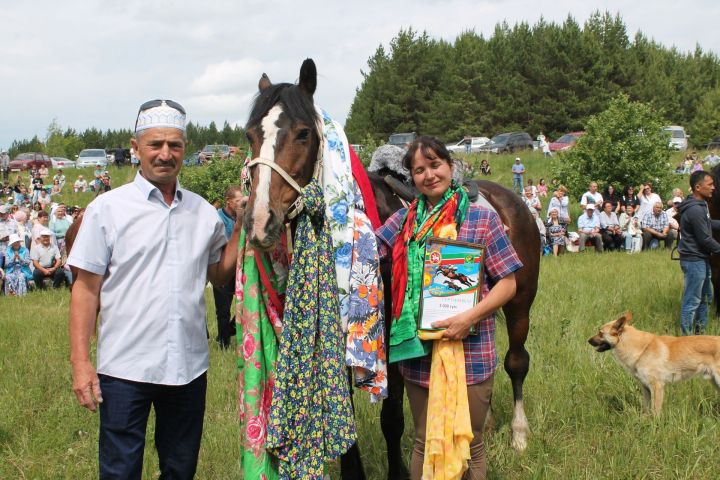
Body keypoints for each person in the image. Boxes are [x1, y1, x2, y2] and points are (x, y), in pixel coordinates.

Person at [68, 99, 242, 479]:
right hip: (125, 369)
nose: (165, 154)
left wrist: (241, 226)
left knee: (180, 470)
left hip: (188, 369)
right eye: (155, 145)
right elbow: (85, 290)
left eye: (175, 145)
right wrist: (81, 363)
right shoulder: (107, 209)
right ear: (136, 148)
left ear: (185, 149)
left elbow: (220, 277)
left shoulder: (202, 214)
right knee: (119, 471)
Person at [375, 136, 521, 479]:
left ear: (450, 167)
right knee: (425, 442)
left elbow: (509, 284)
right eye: (419, 170)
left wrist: (467, 317)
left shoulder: (482, 220)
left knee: (471, 442)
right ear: (411, 177)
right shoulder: (403, 222)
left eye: (435, 165)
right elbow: (365, 251)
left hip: (471, 351)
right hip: (419, 354)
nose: (429, 175)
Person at [677, 171, 720, 335]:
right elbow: (704, 239)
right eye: (709, 185)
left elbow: (707, 224)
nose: (713, 188)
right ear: (698, 187)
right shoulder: (695, 209)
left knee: (706, 298)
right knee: (692, 301)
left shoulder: (701, 205)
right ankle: (687, 338)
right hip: (694, 260)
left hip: (701, 258)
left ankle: (700, 334)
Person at [213, 185, 244, 349]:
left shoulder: (242, 218)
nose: (241, 204)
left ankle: (231, 329)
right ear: (228, 202)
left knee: (246, 304)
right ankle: (224, 343)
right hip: (223, 270)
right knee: (223, 310)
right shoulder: (218, 218)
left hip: (240, 271)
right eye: (238, 201)